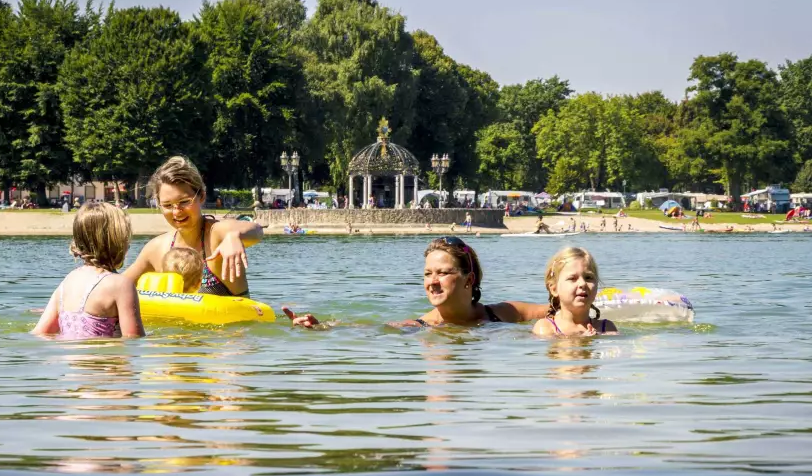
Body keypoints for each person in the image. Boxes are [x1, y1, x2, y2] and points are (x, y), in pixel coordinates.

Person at [284, 236, 548, 328]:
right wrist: (320, 328)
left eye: (442, 273)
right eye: (427, 274)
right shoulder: (421, 327)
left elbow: (558, 311)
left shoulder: (503, 313)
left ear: (469, 280)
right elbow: (366, 329)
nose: (432, 282)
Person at [123, 156, 262, 297]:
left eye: (184, 202)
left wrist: (233, 236)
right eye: (167, 205)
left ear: (201, 196)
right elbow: (119, 286)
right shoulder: (156, 249)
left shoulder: (217, 234)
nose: (177, 212)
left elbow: (256, 229)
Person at [32, 201, 145, 338]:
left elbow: (41, 332)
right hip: (105, 358)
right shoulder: (121, 285)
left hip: (71, 358)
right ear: (117, 242)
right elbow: (133, 338)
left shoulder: (68, 281)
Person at [532, 247, 617, 337]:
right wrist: (582, 341)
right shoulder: (545, 328)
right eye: (572, 278)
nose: (582, 283)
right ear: (554, 289)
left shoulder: (606, 328)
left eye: (588, 277)